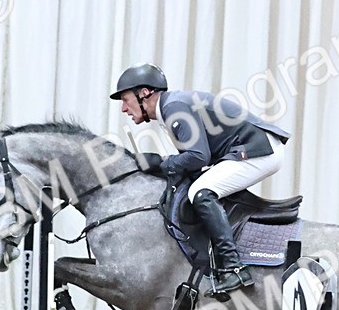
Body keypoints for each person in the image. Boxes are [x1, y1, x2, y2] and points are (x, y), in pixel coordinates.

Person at [110, 63, 290, 296]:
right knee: (197, 187)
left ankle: (234, 268)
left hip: (260, 150)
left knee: (201, 192)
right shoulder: (170, 109)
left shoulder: (174, 108)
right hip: (248, 148)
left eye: (125, 100)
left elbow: (197, 156)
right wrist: (163, 164)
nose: (124, 108)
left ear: (144, 93)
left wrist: (162, 163)